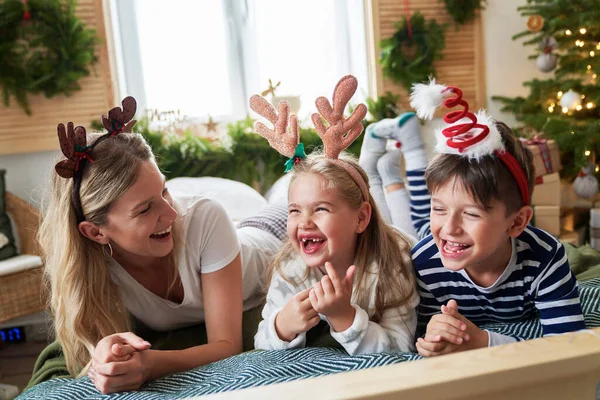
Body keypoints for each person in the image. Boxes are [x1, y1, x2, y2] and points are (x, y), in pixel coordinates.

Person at [37, 97, 286, 394]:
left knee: (321, 192)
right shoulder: (93, 268)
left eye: (165, 191)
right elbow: (96, 346)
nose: (172, 213)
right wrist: (106, 353)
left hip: (274, 238)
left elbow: (227, 346)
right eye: (145, 209)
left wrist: (150, 364)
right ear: (95, 232)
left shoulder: (205, 217)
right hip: (240, 232)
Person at [360, 80, 586, 357]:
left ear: (516, 222)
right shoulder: (424, 263)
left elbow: (570, 346)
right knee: (407, 224)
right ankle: (384, 173)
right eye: (439, 209)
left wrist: (482, 341)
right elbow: (420, 332)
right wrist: (432, 337)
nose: (450, 228)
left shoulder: (546, 257)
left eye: (471, 213)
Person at [251, 75, 419, 354]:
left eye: (320, 209)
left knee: (406, 222)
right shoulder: (292, 268)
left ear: (360, 218)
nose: (304, 222)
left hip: (392, 237)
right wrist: (282, 325)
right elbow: (262, 342)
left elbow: (401, 349)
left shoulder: (393, 259)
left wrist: (345, 317)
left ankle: (385, 171)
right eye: (294, 210)